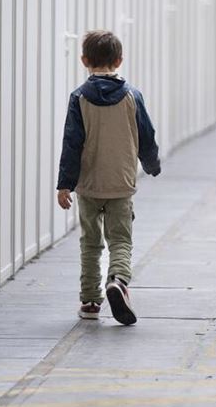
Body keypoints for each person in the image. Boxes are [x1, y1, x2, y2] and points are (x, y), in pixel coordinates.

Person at [56, 30, 161, 325]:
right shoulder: (132, 96)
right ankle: (117, 280)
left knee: (90, 242)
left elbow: (72, 143)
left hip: (89, 185)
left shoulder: (78, 98)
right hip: (121, 182)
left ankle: (90, 301)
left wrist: (65, 184)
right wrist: (151, 164)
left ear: (84, 60)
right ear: (119, 60)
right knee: (121, 240)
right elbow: (146, 135)